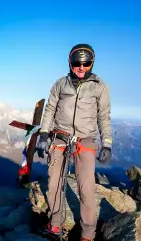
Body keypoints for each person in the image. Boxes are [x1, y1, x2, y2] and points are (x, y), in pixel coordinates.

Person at [36, 43, 113, 241]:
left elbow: (104, 117)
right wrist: (43, 135)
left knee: (86, 188)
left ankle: (87, 234)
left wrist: (107, 144)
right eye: (77, 63)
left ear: (92, 63)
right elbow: (50, 110)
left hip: (84, 141)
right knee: (55, 183)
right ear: (70, 63)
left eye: (86, 64)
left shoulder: (99, 86)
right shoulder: (60, 84)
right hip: (59, 138)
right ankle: (54, 224)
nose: (81, 68)